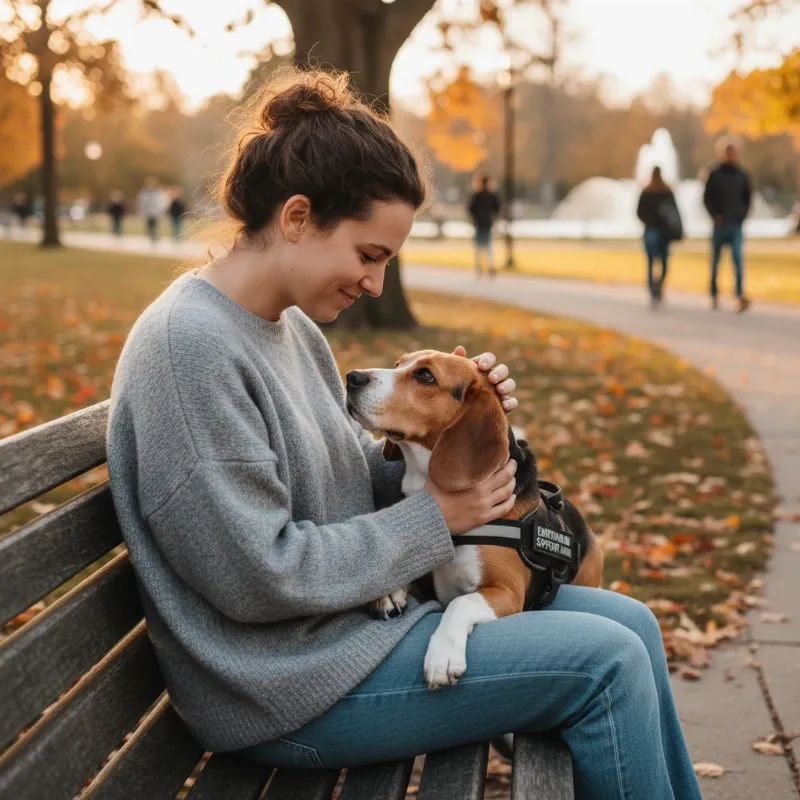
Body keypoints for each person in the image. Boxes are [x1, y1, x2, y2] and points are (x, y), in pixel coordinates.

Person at [106, 68, 701, 800]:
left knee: (633, 624)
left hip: (352, 637)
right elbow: (258, 577)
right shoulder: (189, 349)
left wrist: (447, 433)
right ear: (297, 218)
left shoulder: (287, 327)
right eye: (369, 255)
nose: (375, 285)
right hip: (282, 689)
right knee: (606, 661)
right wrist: (434, 519)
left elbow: (346, 476)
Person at [703, 140, 752, 312]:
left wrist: (742, 216)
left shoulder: (741, 174)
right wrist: (714, 215)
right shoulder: (714, 174)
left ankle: (739, 294)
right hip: (720, 224)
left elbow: (748, 197)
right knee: (716, 261)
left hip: (735, 224)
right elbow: (706, 198)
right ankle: (713, 294)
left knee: (737, 260)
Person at [636, 167, 683, 309]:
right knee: (656, 262)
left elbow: (674, 212)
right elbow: (640, 212)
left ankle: (656, 288)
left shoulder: (665, 192)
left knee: (658, 262)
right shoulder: (648, 192)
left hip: (661, 231)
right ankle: (655, 290)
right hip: (654, 230)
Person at [467, 175, 501, 279]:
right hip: (487, 223)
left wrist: (474, 218)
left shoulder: (477, 195)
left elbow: (471, 209)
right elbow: (497, 208)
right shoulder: (491, 195)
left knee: (478, 247)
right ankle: (489, 266)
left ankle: (479, 267)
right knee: (488, 247)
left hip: (480, 223)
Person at [137, 177, 164, 243]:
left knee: (155, 225)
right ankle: (151, 236)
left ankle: (154, 237)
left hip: (155, 213)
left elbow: (160, 203)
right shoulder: (144, 193)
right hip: (148, 212)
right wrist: (142, 213)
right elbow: (142, 203)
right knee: (149, 226)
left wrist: (160, 212)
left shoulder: (157, 193)